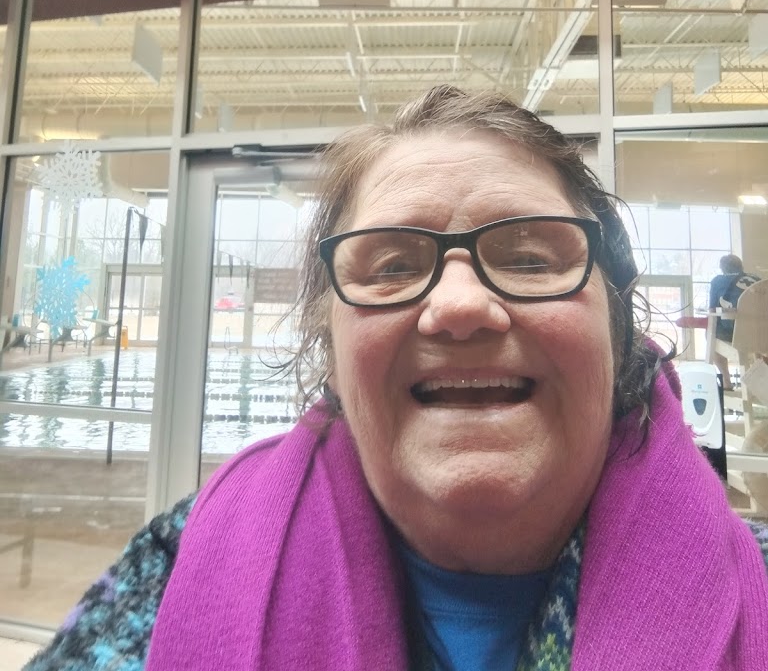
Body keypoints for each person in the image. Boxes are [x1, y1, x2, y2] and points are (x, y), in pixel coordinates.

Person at [26, 85, 768, 671]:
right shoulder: (178, 569)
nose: (460, 306)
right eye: (392, 268)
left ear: (617, 321)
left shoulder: (754, 587)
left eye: (529, 259)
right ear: (331, 347)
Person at [709, 254, 760, 391]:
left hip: (736, 332)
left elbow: (712, 309)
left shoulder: (718, 281)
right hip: (761, 333)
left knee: (710, 334)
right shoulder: (758, 280)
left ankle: (726, 381)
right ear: (741, 266)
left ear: (723, 268)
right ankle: (758, 381)